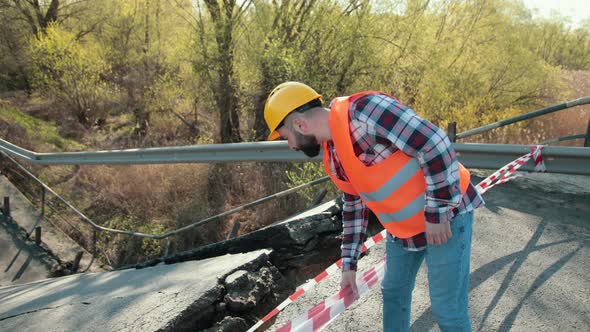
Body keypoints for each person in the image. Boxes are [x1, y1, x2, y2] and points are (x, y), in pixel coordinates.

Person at [263, 82, 484, 331]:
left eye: (286, 137)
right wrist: (349, 264)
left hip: (447, 216)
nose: (291, 146)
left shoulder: (367, 111)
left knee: (447, 310)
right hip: (405, 229)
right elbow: (354, 205)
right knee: (393, 293)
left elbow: (435, 144)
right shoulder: (333, 152)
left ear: (300, 125)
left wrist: (437, 212)